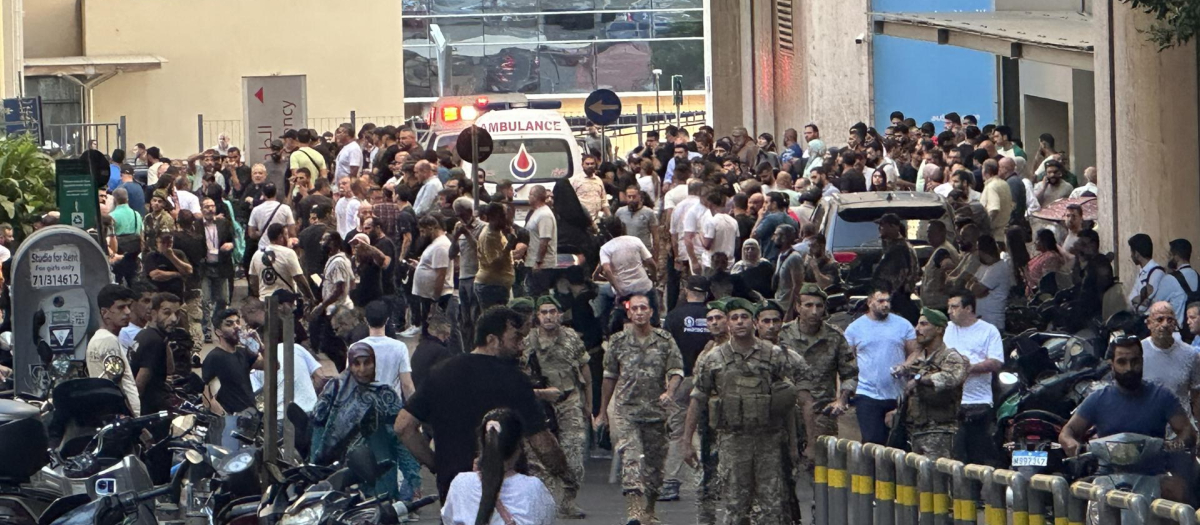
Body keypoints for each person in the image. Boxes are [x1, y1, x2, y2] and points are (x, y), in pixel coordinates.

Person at [395, 306, 575, 502]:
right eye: (515, 339)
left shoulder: (440, 372)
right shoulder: (515, 380)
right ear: (492, 340)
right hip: (506, 493)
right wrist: (566, 476)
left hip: (455, 493)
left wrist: (436, 464)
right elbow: (541, 442)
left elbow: (404, 426)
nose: (521, 346)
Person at [681, 297, 797, 525]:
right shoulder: (713, 359)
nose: (740, 322)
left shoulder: (773, 355)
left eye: (744, 317)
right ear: (728, 324)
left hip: (768, 440)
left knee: (772, 506)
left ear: (753, 322)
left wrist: (793, 444)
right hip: (733, 441)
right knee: (735, 505)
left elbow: (787, 403)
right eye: (734, 318)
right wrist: (686, 441)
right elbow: (697, 399)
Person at [1059, 336, 1196, 504]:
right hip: (1106, 477)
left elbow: (1186, 430)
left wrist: (1177, 443)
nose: (1129, 368)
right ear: (1112, 365)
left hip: (1151, 476)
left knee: (1179, 491)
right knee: (1074, 495)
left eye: (1134, 361)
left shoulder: (1161, 396)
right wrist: (1071, 444)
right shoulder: (1098, 399)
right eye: (1122, 362)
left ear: (1142, 361)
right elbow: (1068, 431)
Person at [595, 293, 684, 524]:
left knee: (655, 467)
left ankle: (650, 510)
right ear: (629, 313)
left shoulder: (664, 340)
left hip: (656, 411)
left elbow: (676, 370)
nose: (639, 312)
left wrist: (670, 391)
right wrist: (603, 411)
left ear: (651, 312)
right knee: (631, 459)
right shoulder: (618, 341)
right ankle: (634, 512)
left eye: (643, 308)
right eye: (634, 309)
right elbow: (609, 376)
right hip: (627, 411)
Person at [311, 342, 420, 501]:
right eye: (356, 363)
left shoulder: (385, 395)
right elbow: (319, 431)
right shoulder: (334, 390)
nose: (362, 369)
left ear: (374, 364)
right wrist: (315, 471)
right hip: (338, 477)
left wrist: (412, 478)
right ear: (350, 364)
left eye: (367, 363)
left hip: (379, 476)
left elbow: (400, 440)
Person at [520, 296, 590, 518]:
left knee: (574, 455)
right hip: (540, 405)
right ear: (537, 317)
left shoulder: (571, 338)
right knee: (539, 459)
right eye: (544, 312)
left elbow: (585, 370)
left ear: (559, 314)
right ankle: (546, 503)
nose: (548, 316)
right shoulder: (528, 341)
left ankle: (568, 501)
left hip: (569, 401)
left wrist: (589, 403)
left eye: (552, 311)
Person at [779, 284, 857, 463]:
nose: (814, 311)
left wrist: (842, 400)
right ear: (798, 307)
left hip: (822, 413)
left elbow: (850, 373)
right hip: (788, 414)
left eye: (819, 306)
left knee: (823, 468)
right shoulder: (783, 335)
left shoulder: (834, 336)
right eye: (808, 305)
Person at [441, 409, 557, 525]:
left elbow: (448, 519)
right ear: (518, 448)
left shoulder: (460, 483)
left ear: (482, 445)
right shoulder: (534, 488)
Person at [846, 289, 917, 444]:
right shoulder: (854, 328)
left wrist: (905, 365)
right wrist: (844, 394)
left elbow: (915, 353)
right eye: (880, 301)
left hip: (897, 394)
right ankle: (870, 469)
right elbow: (846, 363)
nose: (885, 305)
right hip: (867, 393)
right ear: (869, 302)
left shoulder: (903, 325)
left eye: (888, 301)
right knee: (872, 440)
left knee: (897, 442)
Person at [896, 308, 968, 460]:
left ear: (939, 329)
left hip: (940, 431)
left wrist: (919, 379)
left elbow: (951, 378)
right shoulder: (918, 359)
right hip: (915, 430)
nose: (917, 329)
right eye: (918, 324)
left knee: (937, 479)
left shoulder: (951, 357)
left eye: (923, 324)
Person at [943, 293, 1003, 466]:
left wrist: (967, 368)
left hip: (978, 401)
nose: (949, 311)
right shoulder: (946, 329)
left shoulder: (988, 331)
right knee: (955, 454)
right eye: (949, 307)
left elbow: (996, 362)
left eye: (954, 307)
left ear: (968, 308)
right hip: (950, 401)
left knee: (979, 454)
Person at [202, 308, 264, 449]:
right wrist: (228, 421)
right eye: (229, 324)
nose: (236, 326)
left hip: (251, 420)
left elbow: (273, 366)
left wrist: (261, 346)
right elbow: (207, 398)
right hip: (233, 425)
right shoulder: (215, 357)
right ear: (218, 332)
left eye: (237, 322)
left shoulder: (243, 353)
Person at [1140, 302, 1200, 421]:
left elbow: (1196, 396)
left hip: (1182, 430)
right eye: (1159, 319)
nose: (1165, 324)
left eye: (1170, 320)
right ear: (1149, 323)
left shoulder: (1190, 354)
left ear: (1175, 324)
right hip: (1148, 428)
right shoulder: (1138, 352)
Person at [88, 284, 142, 416]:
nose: (128, 312)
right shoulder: (108, 341)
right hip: (121, 416)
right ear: (105, 313)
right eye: (121, 307)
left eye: (128, 306)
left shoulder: (100, 338)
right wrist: (134, 417)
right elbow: (118, 385)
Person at [130, 293, 181, 416]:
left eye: (177, 314)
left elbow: (170, 369)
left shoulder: (146, 335)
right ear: (153, 314)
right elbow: (139, 384)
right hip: (148, 412)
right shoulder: (154, 341)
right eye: (167, 313)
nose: (174, 319)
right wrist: (135, 417)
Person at [355, 300, 415, 401]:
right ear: (387, 320)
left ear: (366, 320)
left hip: (364, 406)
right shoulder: (399, 347)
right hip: (391, 405)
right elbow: (407, 385)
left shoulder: (355, 348)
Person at [872, 213, 920, 323]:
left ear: (894, 227)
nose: (880, 229)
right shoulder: (896, 246)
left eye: (883, 225)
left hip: (898, 299)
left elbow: (898, 276)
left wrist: (886, 296)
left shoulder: (899, 249)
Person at [200, 198, 235, 341]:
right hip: (205, 267)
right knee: (205, 300)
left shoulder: (224, 223)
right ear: (202, 209)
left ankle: (217, 324)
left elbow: (232, 240)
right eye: (207, 206)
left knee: (222, 299)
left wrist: (230, 245)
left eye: (212, 206)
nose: (210, 209)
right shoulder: (197, 226)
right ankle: (206, 330)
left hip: (221, 266)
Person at [249, 223, 313, 301]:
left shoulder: (257, 254)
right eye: (286, 234)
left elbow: (253, 281)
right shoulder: (288, 253)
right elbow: (299, 278)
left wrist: (259, 294)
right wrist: (311, 298)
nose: (287, 237)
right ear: (280, 237)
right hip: (285, 302)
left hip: (264, 301)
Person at [412, 215, 454, 331]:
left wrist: (435, 300)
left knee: (434, 329)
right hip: (428, 296)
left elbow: (441, 274)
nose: (422, 235)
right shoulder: (435, 243)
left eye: (423, 231)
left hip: (436, 297)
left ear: (431, 228)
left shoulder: (441, 246)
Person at [964, 235, 1012, 331]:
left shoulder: (998, 268)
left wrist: (976, 286)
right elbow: (968, 284)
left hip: (993, 323)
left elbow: (976, 291)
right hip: (981, 323)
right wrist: (975, 286)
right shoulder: (984, 267)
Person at [475, 202, 517, 312]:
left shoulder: (497, 232)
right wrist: (509, 245)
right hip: (491, 287)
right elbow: (495, 264)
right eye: (503, 215)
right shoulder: (489, 236)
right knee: (495, 322)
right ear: (493, 216)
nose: (506, 218)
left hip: (499, 284)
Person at [525, 186, 559, 296]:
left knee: (540, 296)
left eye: (530, 195)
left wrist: (538, 262)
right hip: (534, 263)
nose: (528, 197)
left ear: (536, 197)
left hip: (542, 266)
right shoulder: (537, 212)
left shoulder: (544, 215)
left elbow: (544, 240)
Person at [920, 221, 960, 311]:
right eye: (928, 232)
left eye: (932, 232)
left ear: (943, 233)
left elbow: (948, 266)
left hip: (939, 305)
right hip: (936, 304)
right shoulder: (942, 248)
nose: (929, 236)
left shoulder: (942, 251)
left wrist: (945, 285)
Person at [1158, 239, 1200, 325]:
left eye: (1170, 255)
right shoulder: (1198, 276)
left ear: (1176, 257)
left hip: (1177, 333)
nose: (1168, 259)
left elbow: (1156, 305)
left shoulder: (1169, 279)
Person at [1128, 233, 1165, 314]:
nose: (1131, 256)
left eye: (1131, 252)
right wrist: (1134, 300)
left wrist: (1135, 300)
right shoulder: (1142, 273)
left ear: (1137, 254)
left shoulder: (1157, 273)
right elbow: (1130, 301)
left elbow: (1143, 306)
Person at [1027, 229, 1067, 296]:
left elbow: (1047, 280)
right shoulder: (1041, 255)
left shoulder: (1051, 257)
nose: (1035, 242)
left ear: (1044, 241)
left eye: (1037, 239)